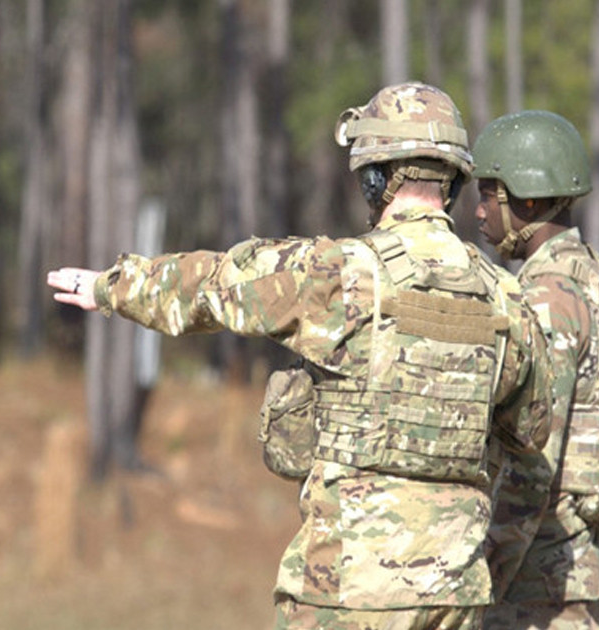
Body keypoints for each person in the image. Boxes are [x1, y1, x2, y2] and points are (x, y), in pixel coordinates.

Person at [47, 82, 554, 629]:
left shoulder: (339, 273)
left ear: (375, 178)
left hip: (348, 587)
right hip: (455, 591)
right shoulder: (504, 296)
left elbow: (213, 285)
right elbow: (532, 428)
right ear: (453, 181)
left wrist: (112, 287)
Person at [471, 110, 599, 629]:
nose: (478, 212)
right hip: (573, 573)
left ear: (526, 201)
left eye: (488, 195)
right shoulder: (593, 277)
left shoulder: (549, 297)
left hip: (537, 589)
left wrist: (480, 582)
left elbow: (532, 464)